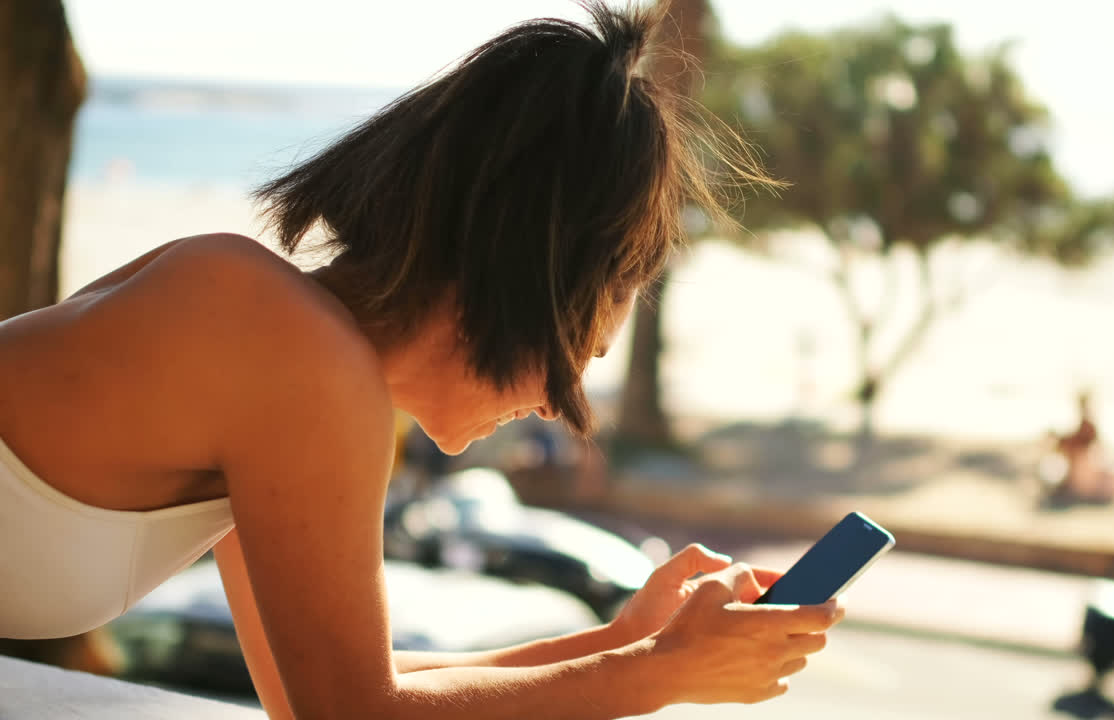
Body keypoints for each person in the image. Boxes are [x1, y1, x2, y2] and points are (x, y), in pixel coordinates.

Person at [0, 3, 843, 719]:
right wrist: (663, 674)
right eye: (572, 355)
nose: (559, 405)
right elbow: (353, 714)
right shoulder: (288, 353)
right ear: (518, 286)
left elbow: (332, 693)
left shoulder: (282, 349)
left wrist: (628, 643)